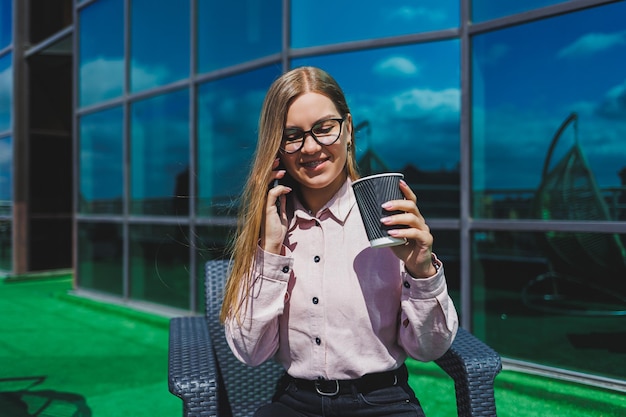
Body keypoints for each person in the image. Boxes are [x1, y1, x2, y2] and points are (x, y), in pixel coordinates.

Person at [220, 66, 459, 417]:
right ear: (278, 147)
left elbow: (429, 348)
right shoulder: (270, 228)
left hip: (383, 402)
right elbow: (250, 351)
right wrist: (269, 251)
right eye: (293, 135)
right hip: (294, 402)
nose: (311, 147)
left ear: (348, 130)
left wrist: (422, 269)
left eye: (324, 128)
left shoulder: (387, 218)